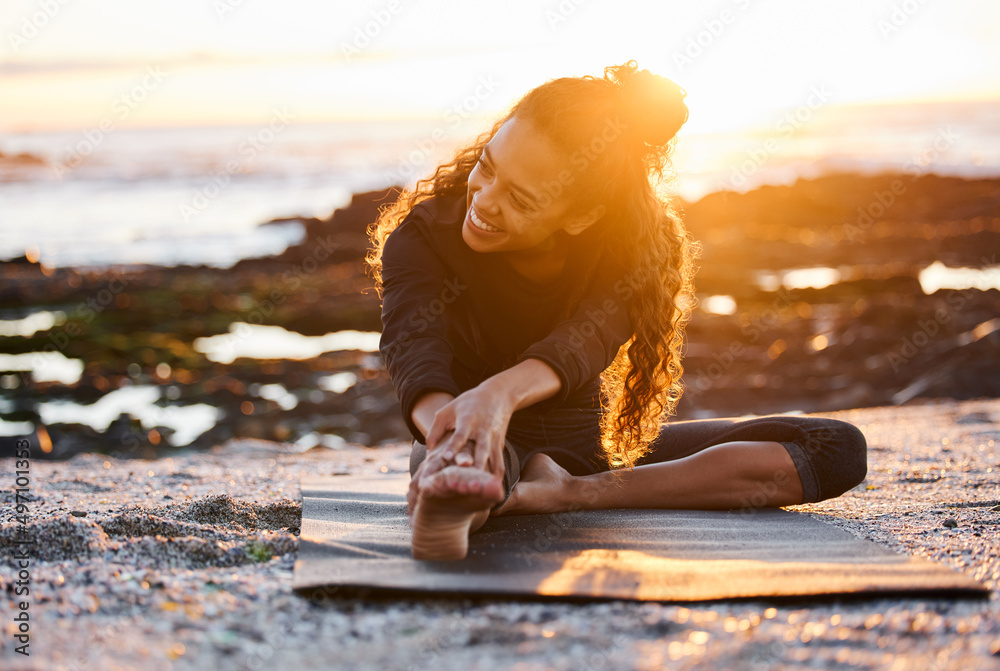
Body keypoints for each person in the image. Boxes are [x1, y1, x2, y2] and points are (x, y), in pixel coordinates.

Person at [365, 61, 868, 561]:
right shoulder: (424, 237)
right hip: (470, 438)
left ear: (582, 215)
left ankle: (564, 492)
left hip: (588, 457)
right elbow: (413, 346)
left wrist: (498, 395)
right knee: (465, 468)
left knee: (834, 447)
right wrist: (453, 432)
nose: (485, 200)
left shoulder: (630, 253)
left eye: (519, 198)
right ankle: (460, 489)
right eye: (488, 166)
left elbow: (582, 342)